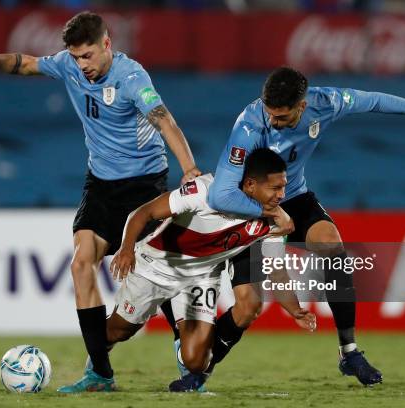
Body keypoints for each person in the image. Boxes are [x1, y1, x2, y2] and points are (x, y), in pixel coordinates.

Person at [170, 67, 405, 389]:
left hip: (294, 197)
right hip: (245, 208)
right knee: (248, 307)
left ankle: (349, 351)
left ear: (302, 106)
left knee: (331, 243)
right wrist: (271, 215)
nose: (273, 121)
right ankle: (199, 371)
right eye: (270, 114)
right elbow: (222, 195)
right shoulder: (249, 126)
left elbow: (372, 100)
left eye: (282, 116)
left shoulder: (327, 102)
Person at [0, 11, 201, 392]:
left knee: (158, 276)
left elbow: (164, 120)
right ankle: (101, 374)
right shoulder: (69, 67)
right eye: (75, 57)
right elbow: (24, 64)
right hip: (101, 186)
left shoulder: (132, 77)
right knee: (80, 264)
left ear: (107, 44)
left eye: (87, 55)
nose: (81, 65)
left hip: (145, 185)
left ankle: (188, 360)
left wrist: (189, 170)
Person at [80, 148, 314, 392]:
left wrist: (296, 310)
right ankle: (95, 368)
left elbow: (276, 271)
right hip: (157, 266)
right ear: (251, 184)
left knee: (196, 362)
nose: (282, 195)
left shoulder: (276, 220)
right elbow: (144, 212)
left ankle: (184, 333)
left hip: (202, 276)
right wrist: (126, 249)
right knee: (118, 330)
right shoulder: (205, 190)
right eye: (275, 188)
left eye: (284, 187)